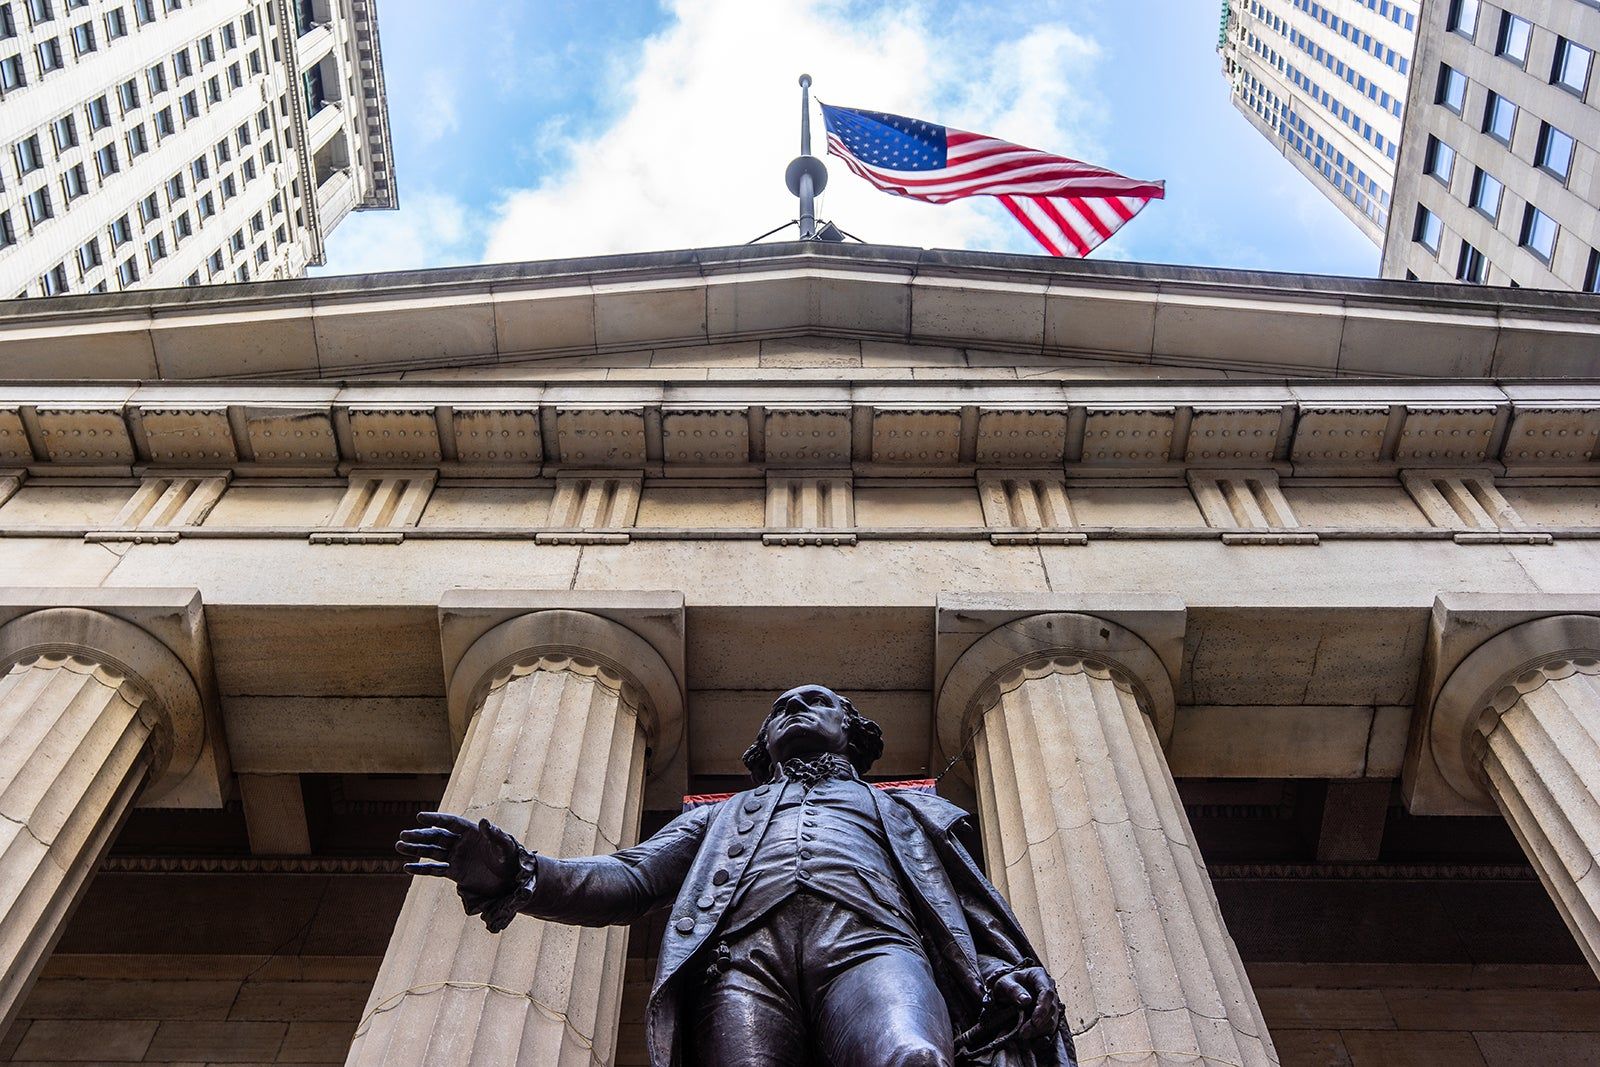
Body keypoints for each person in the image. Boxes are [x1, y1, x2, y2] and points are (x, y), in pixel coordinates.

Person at [398, 684, 1074, 1067]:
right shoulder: (722, 818)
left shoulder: (907, 808)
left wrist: (997, 968)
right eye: (780, 707)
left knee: (911, 1059)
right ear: (760, 748)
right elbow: (628, 878)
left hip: (873, 945)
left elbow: (969, 909)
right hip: (742, 966)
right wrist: (519, 870)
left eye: (817, 701)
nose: (796, 706)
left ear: (856, 733)